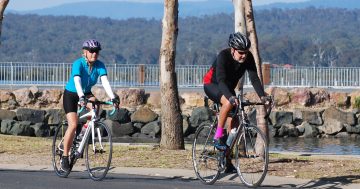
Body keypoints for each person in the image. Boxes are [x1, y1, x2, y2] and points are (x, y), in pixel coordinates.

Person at [203, 32, 267, 173]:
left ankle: (225, 159)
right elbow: (221, 80)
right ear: (232, 50)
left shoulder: (248, 58)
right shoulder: (223, 56)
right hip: (212, 85)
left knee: (236, 124)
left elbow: (254, 78)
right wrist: (230, 98)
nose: (243, 55)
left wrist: (262, 96)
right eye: (240, 53)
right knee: (228, 103)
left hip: (227, 88)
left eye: (245, 52)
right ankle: (217, 136)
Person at [61, 39, 119, 172]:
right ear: (85, 52)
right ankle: (65, 156)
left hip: (86, 92)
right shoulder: (78, 64)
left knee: (97, 107)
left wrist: (113, 97)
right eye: (92, 51)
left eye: (97, 52)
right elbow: (77, 80)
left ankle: (83, 132)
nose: (94, 54)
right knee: (73, 124)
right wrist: (81, 97)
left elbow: (105, 82)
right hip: (72, 93)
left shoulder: (100, 65)